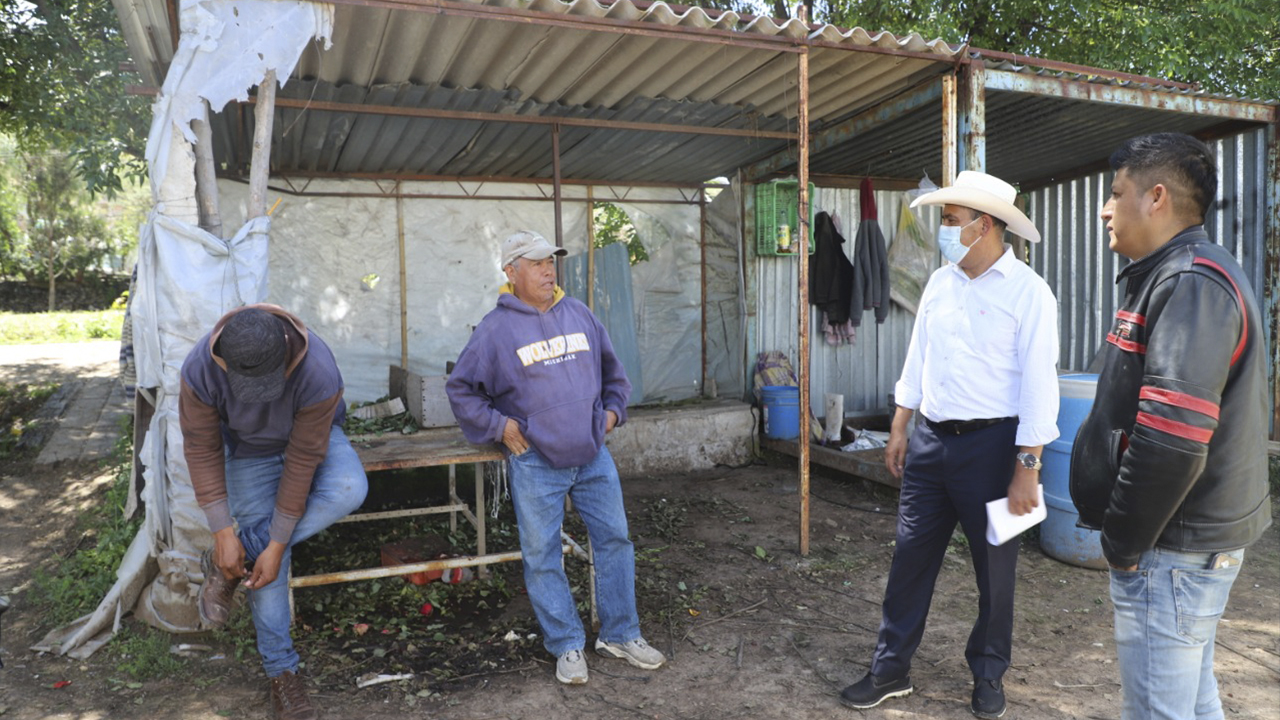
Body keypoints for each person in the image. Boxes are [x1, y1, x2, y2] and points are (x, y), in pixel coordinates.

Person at [840, 171, 1060, 719]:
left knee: (996, 571)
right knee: (910, 559)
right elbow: (920, 356)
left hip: (995, 449)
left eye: (950, 219)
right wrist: (899, 423)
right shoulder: (941, 283)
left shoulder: (1029, 293)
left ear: (984, 226)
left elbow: (1039, 384)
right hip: (931, 444)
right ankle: (889, 670)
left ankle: (989, 675)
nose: (942, 229)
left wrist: (1027, 466)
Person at [1070, 133, 1271, 720]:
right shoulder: (1175, 274)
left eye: (1115, 193)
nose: (1105, 208)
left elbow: (1171, 439)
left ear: (1155, 197)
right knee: (1192, 702)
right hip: (1181, 549)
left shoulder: (1189, 283)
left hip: (1170, 549)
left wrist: (1124, 544)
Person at [446, 230, 666, 685]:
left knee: (615, 540)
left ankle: (620, 633)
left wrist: (609, 415)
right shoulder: (495, 331)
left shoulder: (580, 314)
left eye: (551, 261)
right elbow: (461, 389)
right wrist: (500, 427)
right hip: (535, 462)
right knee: (543, 555)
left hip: (592, 455)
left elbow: (614, 376)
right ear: (511, 272)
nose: (549, 270)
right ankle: (566, 644)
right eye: (537, 263)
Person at [180, 304, 368, 720]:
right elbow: (201, 447)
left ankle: (237, 555)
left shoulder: (318, 369)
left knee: (349, 488)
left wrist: (273, 541)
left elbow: (303, 459)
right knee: (268, 568)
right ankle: (281, 672)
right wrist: (221, 533)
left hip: (311, 438)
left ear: (285, 353)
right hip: (248, 452)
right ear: (224, 361)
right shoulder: (199, 368)